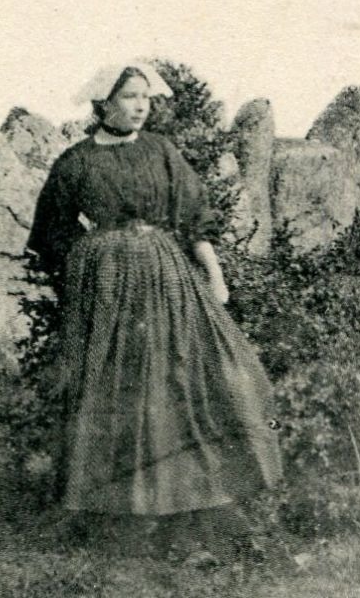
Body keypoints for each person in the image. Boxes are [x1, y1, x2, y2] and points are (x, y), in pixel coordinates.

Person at [26, 62, 285, 565]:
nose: (141, 105)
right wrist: (89, 264)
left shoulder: (162, 151)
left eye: (145, 96)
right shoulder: (76, 163)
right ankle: (121, 514)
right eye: (129, 97)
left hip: (167, 277)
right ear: (103, 103)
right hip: (107, 290)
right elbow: (49, 234)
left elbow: (194, 217)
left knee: (194, 380)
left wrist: (215, 274)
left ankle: (196, 511)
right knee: (120, 390)